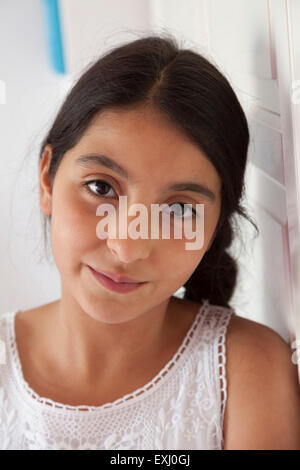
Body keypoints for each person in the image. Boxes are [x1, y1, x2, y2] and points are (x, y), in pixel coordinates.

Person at [1, 34, 300, 450]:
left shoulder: (247, 372)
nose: (127, 246)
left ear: (215, 227)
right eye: (101, 187)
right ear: (48, 178)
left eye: (179, 211)